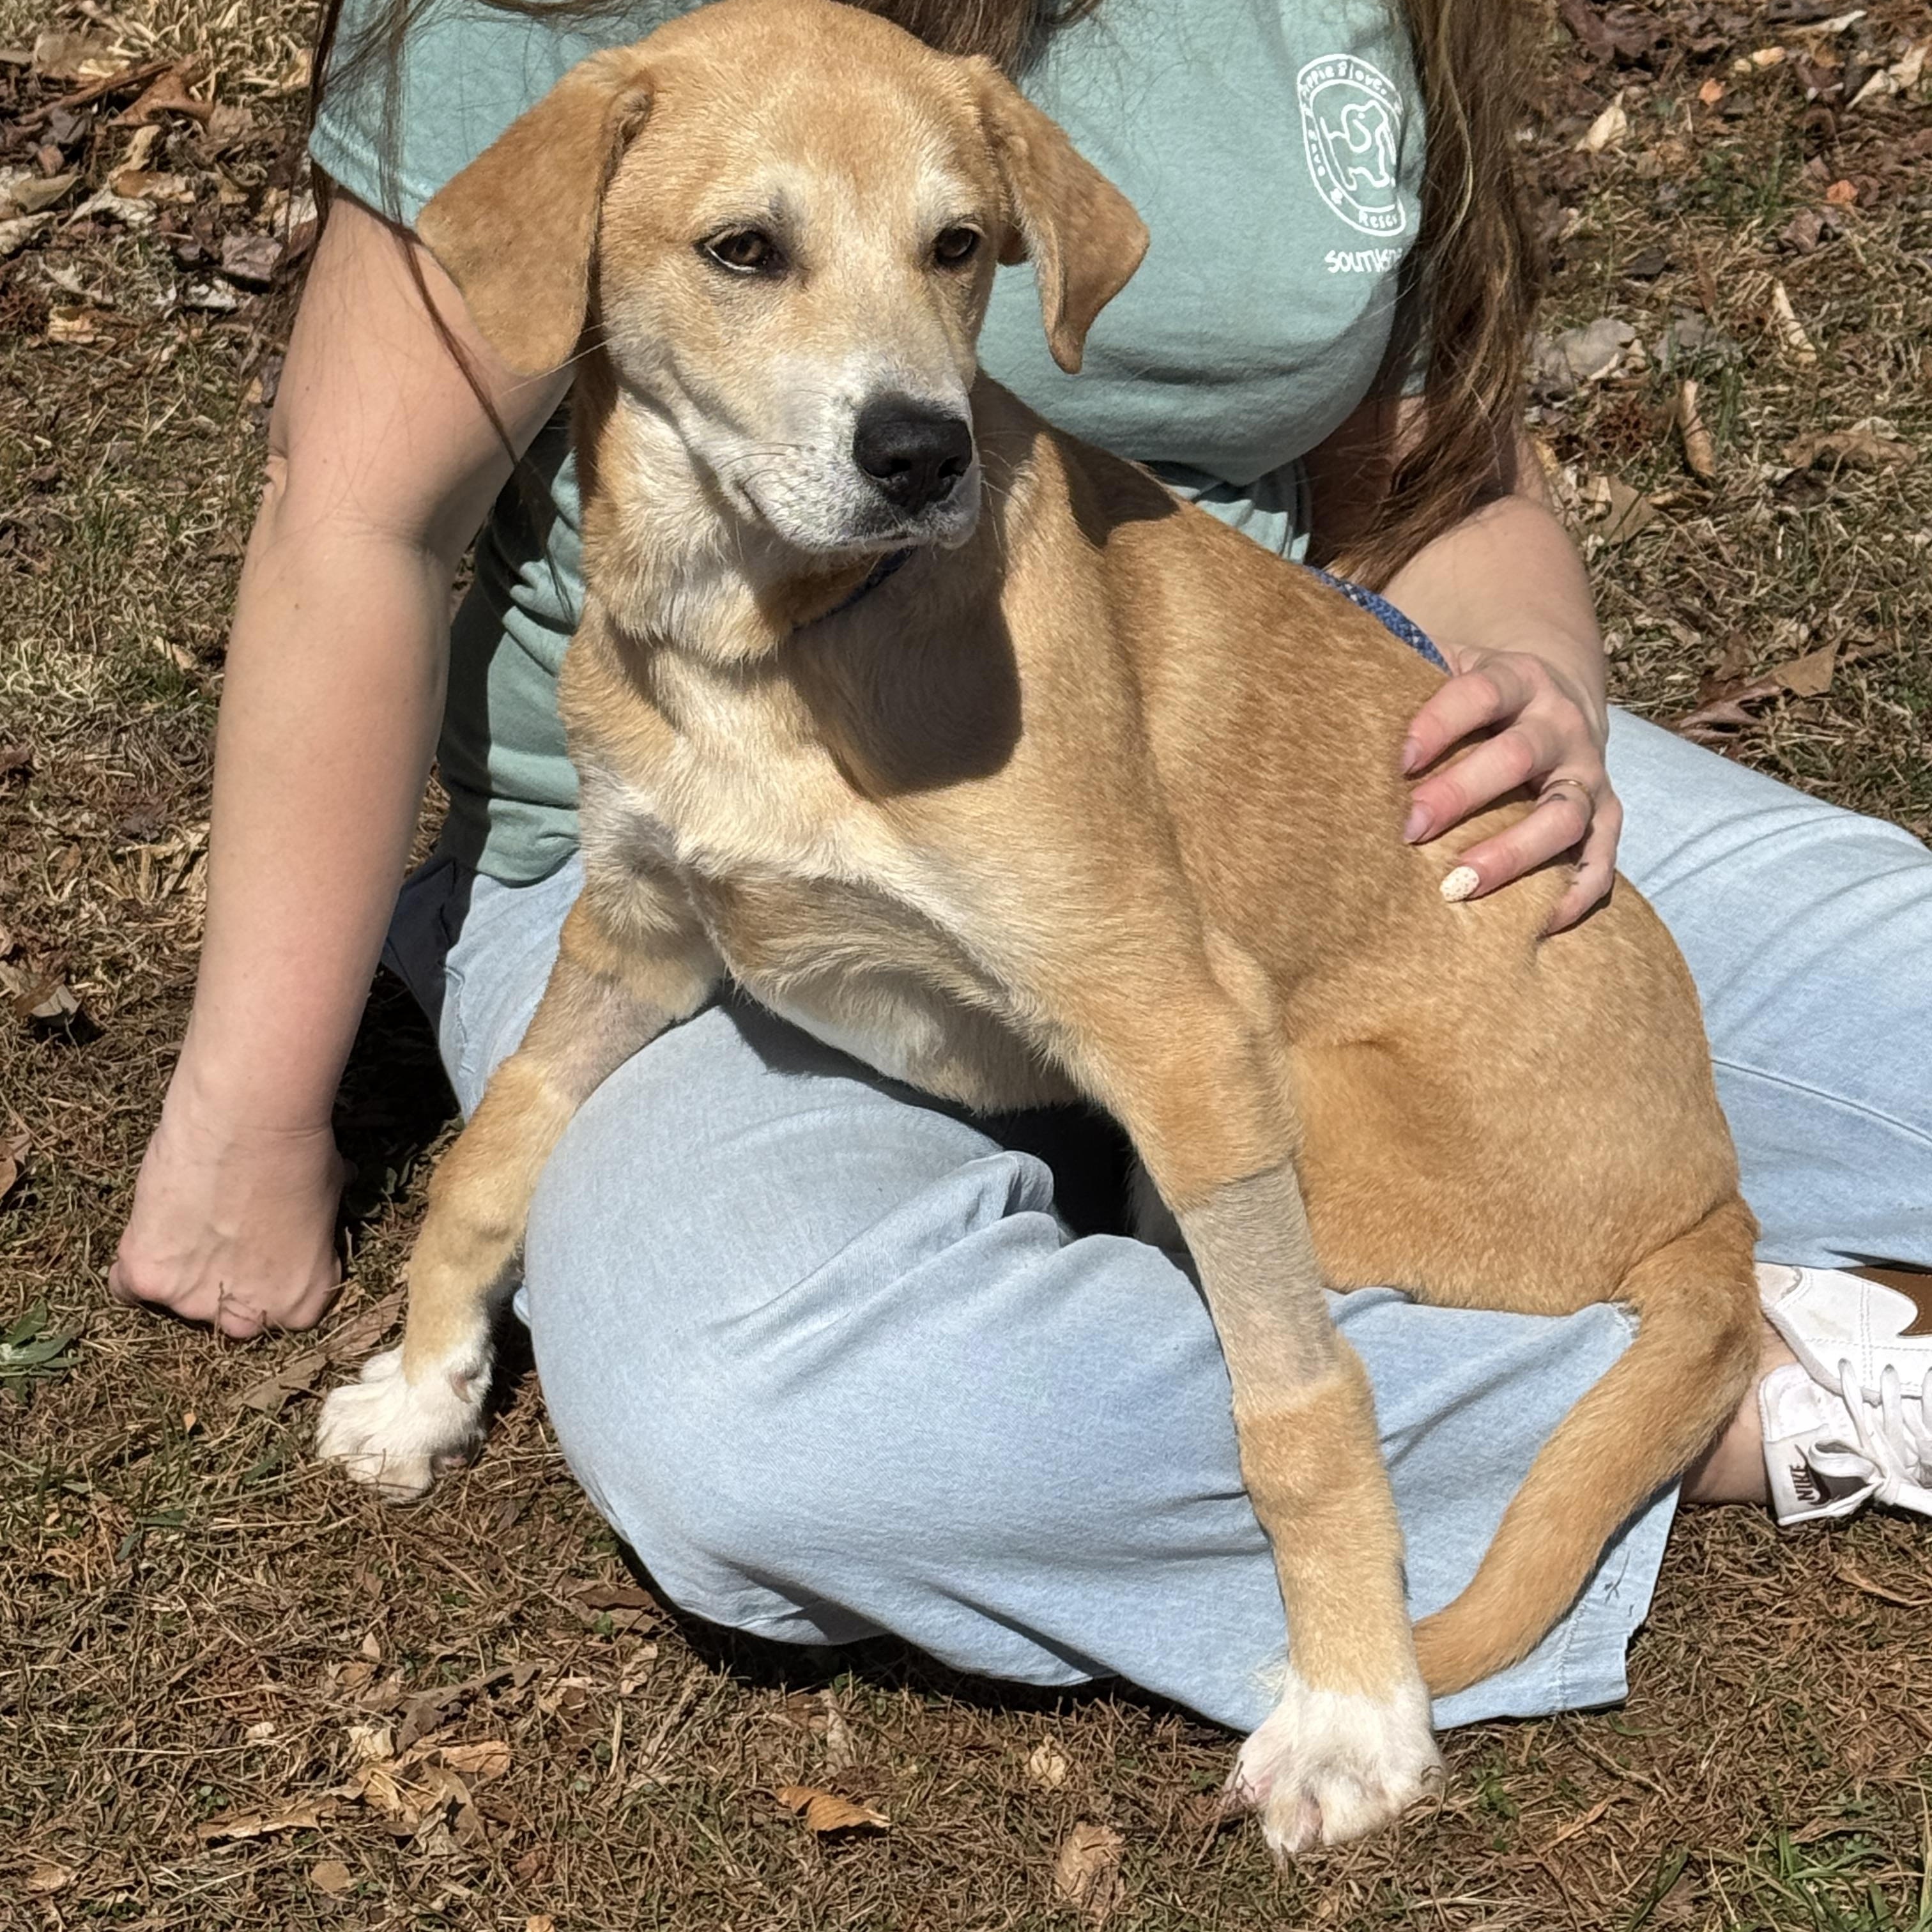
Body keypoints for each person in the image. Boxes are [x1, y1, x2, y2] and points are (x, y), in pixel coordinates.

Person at [111, 0, 1931, 1740]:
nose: (903, 372)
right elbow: (347, 521)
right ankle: (1742, 1390)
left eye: (951, 252)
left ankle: (1597, 1339)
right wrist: (245, 1114)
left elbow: (1438, 469)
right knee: (779, 1431)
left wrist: (1533, 679)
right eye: (751, 252)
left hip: (1309, 756)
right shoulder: (620, 54)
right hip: (707, 860)